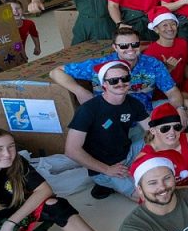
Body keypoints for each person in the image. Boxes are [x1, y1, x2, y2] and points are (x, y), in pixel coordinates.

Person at [51, 26, 187, 115]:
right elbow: (56, 71)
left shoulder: (152, 64)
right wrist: (80, 91)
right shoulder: (100, 65)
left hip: (145, 111)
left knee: (186, 105)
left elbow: (171, 91)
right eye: (123, 46)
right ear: (115, 47)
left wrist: (180, 110)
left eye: (134, 44)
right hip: (111, 116)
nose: (130, 49)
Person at [64, 61, 149, 199]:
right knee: (143, 197)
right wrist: (107, 170)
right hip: (105, 166)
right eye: (114, 80)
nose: (120, 83)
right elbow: (71, 150)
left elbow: (153, 130)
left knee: (159, 138)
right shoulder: (88, 110)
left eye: (125, 78)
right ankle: (104, 182)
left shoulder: (133, 103)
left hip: (127, 153)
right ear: (104, 84)